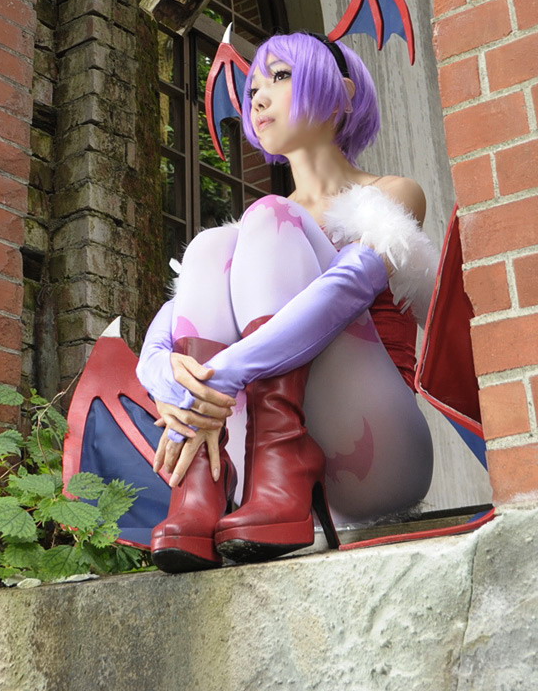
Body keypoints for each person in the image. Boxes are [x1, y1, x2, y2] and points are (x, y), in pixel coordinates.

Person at [133, 29, 438, 573]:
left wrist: (224, 372)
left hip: (378, 454)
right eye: (253, 88)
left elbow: (347, 290)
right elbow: (158, 342)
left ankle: (282, 465)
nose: (259, 97)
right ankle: (200, 491)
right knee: (210, 244)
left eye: (280, 76)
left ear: (342, 94)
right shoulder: (251, 234)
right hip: (257, 480)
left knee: (271, 218)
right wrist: (177, 388)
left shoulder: (392, 194)